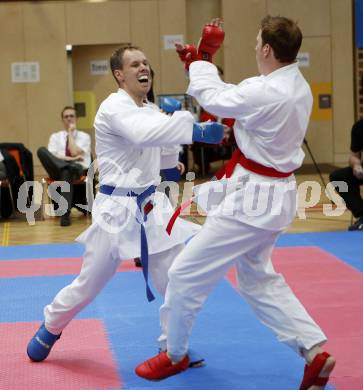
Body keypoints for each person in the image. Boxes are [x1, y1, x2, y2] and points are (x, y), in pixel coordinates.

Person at [135, 17, 336, 390]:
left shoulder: (266, 90)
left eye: (257, 41)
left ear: (266, 50)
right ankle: (314, 350)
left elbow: (214, 97)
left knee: (184, 274)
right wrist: (198, 60)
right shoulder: (297, 85)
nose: (254, 47)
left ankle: (173, 353)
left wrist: (203, 56)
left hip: (253, 199)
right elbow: (232, 101)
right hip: (277, 195)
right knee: (257, 277)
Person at [26, 44, 223, 364]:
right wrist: (194, 128)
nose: (143, 67)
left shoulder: (150, 111)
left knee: (176, 281)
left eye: (145, 62)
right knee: (88, 285)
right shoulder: (113, 107)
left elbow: (163, 156)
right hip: (115, 209)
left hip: (150, 206)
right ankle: (51, 325)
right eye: (134, 64)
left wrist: (173, 155)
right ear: (119, 75)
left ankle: (172, 349)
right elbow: (143, 134)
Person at [37, 106, 91, 226]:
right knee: (41, 150)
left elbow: (74, 151)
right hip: (57, 168)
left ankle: (65, 215)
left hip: (77, 169)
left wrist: (70, 134)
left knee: (66, 171)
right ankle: (66, 166)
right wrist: (71, 159)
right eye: (66, 116)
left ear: (76, 119)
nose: (69, 119)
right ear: (62, 120)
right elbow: (53, 157)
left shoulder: (84, 137)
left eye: (71, 116)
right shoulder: (55, 137)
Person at [329, 118, 363, 230]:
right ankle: (362, 213)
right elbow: (354, 155)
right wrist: (356, 165)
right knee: (338, 177)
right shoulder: (359, 126)